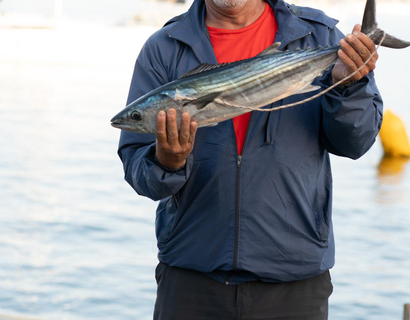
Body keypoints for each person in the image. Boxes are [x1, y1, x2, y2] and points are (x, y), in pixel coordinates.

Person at [117, 0, 382, 319]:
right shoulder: (165, 47)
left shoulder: (319, 36)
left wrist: (349, 86)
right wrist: (166, 162)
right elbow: (138, 169)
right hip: (191, 281)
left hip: (294, 284)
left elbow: (356, 142)